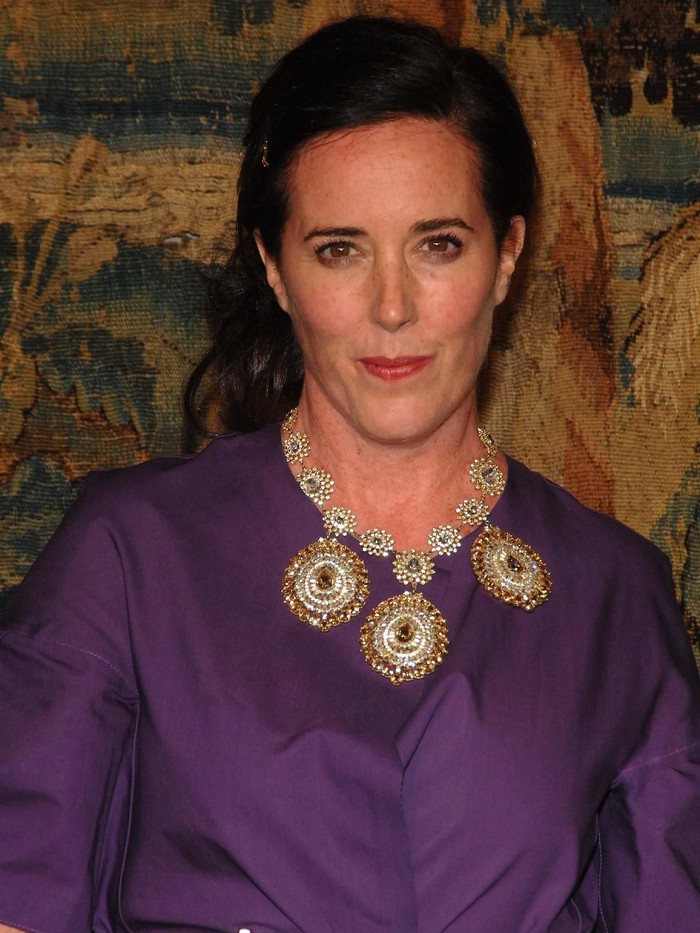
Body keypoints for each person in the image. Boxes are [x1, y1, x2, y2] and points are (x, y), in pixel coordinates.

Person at [1, 15, 698, 933]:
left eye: (438, 243)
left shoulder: (618, 594)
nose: (392, 306)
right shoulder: (127, 554)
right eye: (340, 249)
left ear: (507, 256)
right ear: (275, 268)